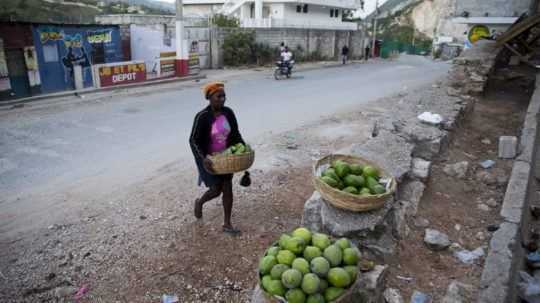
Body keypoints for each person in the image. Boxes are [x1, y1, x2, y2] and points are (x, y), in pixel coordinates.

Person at [190, 82, 245, 235]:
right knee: (216, 190)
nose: (222, 99)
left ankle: (227, 224)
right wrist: (203, 158)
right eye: (218, 96)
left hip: (226, 157)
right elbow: (193, 140)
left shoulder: (228, 113)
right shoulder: (202, 116)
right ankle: (200, 202)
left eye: (223, 96)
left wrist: (243, 150)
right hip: (208, 159)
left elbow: (235, 134)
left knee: (227, 187)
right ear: (209, 97)